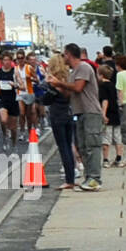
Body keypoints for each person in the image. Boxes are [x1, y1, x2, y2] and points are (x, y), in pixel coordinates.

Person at [48, 44, 102, 192]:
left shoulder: (83, 67)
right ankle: (88, 177)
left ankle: (95, 178)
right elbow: (69, 93)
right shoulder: (73, 72)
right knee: (83, 148)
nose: (63, 58)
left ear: (69, 54)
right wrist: (55, 86)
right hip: (79, 112)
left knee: (92, 146)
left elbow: (78, 88)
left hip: (90, 111)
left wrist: (60, 83)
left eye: (64, 55)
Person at [40, 55, 76, 189]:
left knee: (63, 148)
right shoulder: (68, 78)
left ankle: (69, 180)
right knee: (69, 144)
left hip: (57, 115)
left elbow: (46, 99)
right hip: (69, 113)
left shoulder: (52, 81)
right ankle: (71, 175)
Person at [98, 63, 122, 168]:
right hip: (115, 113)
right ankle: (119, 157)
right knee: (117, 137)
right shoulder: (112, 85)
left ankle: (106, 159)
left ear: (101, 75)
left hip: (107, 113)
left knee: (106, 138)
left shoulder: (102, 86)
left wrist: (103, 114)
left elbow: (105, 100)